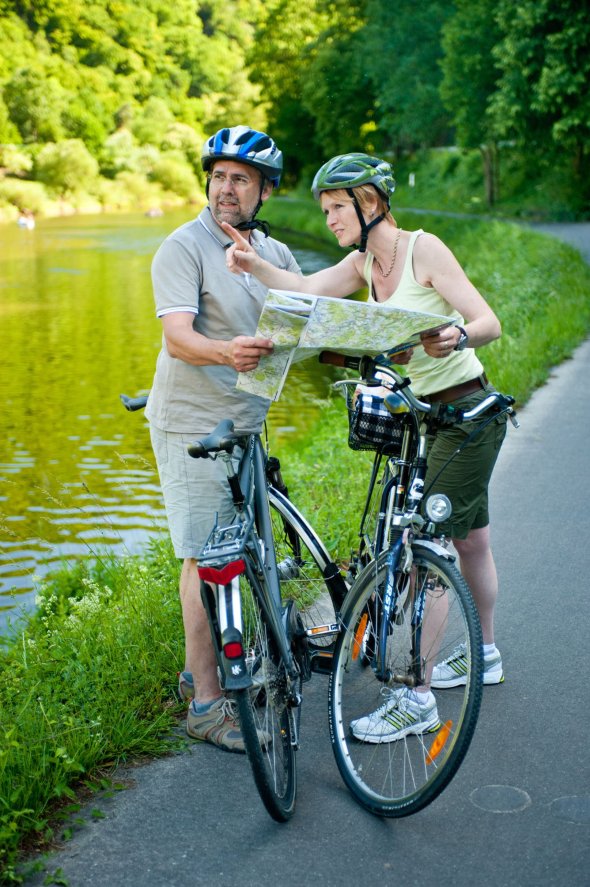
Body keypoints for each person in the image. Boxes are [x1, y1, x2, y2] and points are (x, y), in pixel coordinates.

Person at [223, 152, 507, 743]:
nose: (328, 218)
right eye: (323, 209)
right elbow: (304, 289)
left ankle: (418, 695)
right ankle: (486, 653)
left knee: (432, 547)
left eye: (336, 208)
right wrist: (252, 266)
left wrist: (454, 334)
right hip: (420, 417)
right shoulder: (361, 264)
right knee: (471, 537)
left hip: (465, 412)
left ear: (370, 204)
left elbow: (487, 322)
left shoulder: (422, 250)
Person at [145, 125, 301, 752]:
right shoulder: (183, 248)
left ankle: (200, 670)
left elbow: (310, 314)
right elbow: (178, 337)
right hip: (191, 425)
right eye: (219, 176)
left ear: (264, 191)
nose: (226, 188)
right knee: (206, 557)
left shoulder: (275, 255)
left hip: (246, 425)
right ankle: (206, 704)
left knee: (243, 551)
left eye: (241, 178)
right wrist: (227, 352)